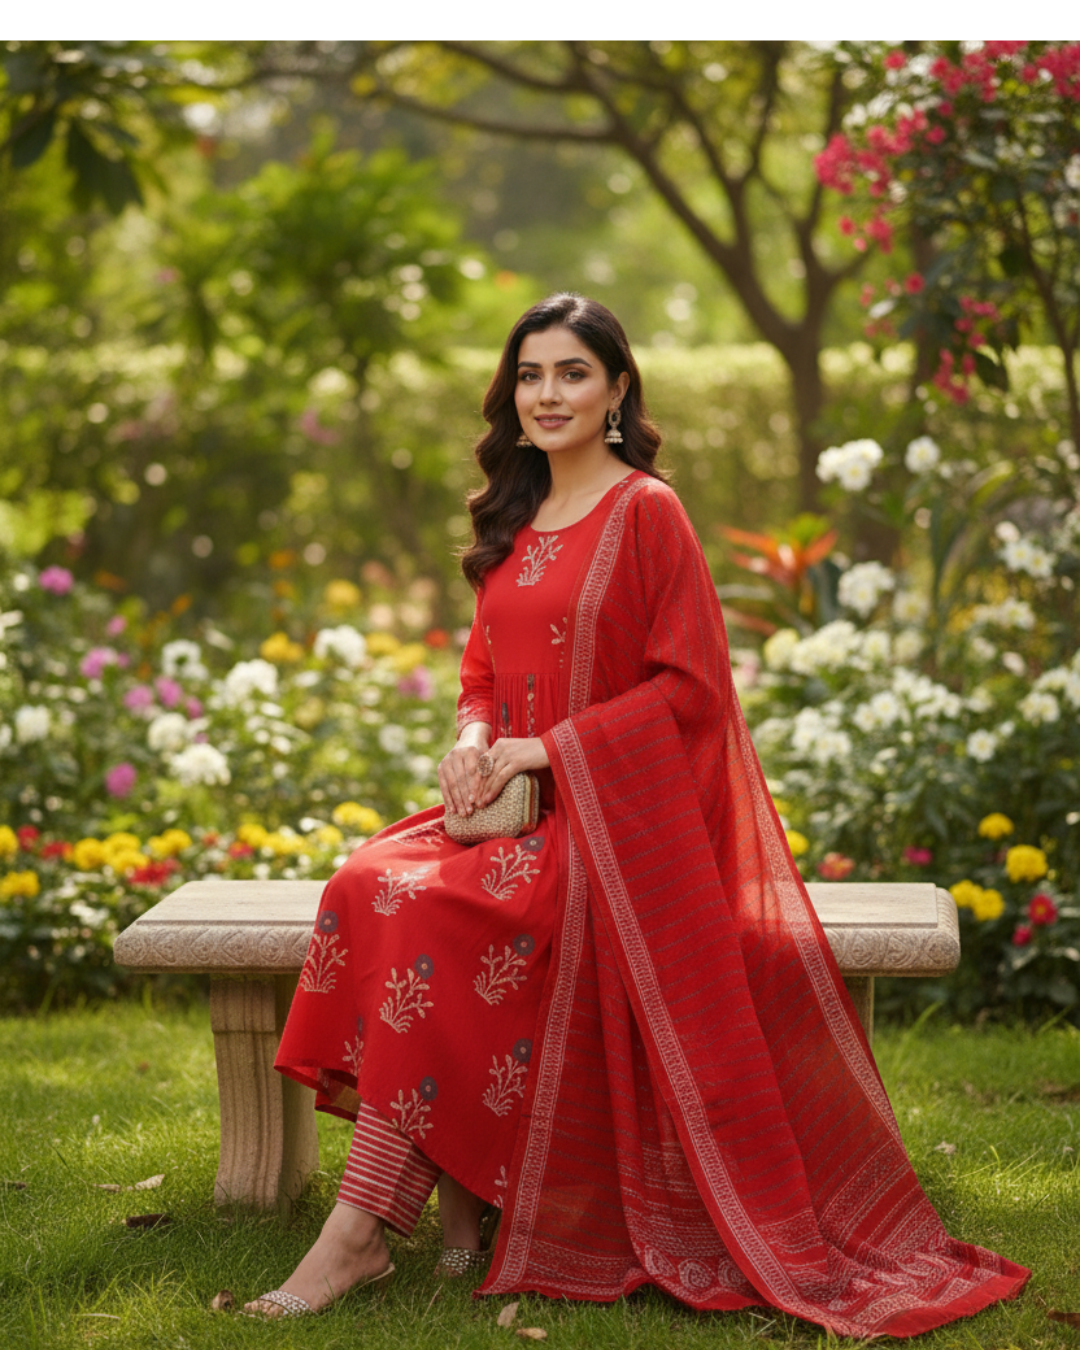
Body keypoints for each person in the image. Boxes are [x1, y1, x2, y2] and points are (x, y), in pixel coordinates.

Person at [246, 294, 1029, 1334]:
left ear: (618, 391)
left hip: (613, 835)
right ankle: (447, 1203)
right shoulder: (514, 516)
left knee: (436, 914)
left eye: (573, 373)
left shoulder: (646, 513)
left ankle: (361, 1231)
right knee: (366, 880)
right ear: (511, 396)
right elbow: (481, 672)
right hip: (511, 815)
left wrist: (554, 746)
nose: (548, 394)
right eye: (530, 376)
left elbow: (691, 688)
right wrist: (478, 739)